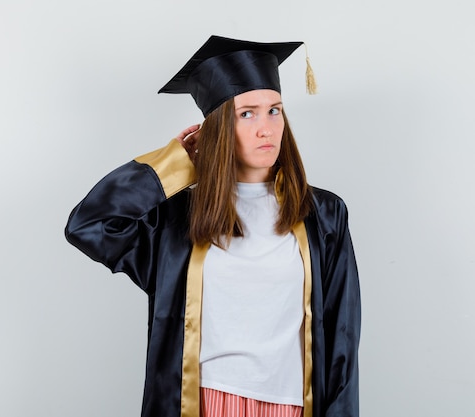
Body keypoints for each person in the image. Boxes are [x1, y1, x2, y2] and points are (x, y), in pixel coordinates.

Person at [65, 35, 361, 417]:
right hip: (201, 402)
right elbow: (89, 225)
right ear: (219, 127)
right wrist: (174, 162)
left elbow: (342, 336)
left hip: (292, 404)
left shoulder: (323, 214)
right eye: (247, 113)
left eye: (275, 110)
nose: (266, 128)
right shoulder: (176, 221)